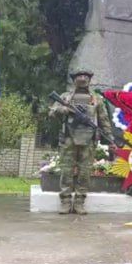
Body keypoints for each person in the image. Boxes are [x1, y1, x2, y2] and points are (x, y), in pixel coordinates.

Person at [49, 69, 114, 215]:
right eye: (79, 76)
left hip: (89, 140)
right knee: (66, 171)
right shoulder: (65, 97)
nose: (83, 78)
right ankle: (66, 202)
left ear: (89, 80)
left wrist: (110, 138)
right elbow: (51, 112)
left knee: (85, 172)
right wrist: (64, 110)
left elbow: (104, 120)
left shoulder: (97, 99)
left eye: (86, 76)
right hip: (69, 139)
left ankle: (79, 202)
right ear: (74, 80)